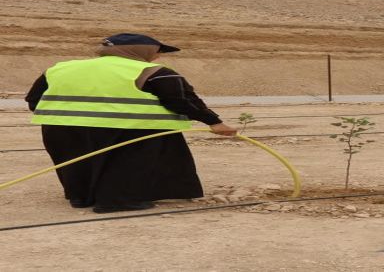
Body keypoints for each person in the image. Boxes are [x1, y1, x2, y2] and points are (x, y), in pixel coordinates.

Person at [25, 33, 237, 213]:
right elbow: (181, 100)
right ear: (141, 50)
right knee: (127, 164)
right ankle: (118, 202)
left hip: (60, 128)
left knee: (77, 161)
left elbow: (34, 99)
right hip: (130, 129)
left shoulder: (60, 68)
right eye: (157, 51)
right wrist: (214, 123)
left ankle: (81, 198)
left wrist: (63, 118)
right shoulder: (153, 72)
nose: (159, 56)